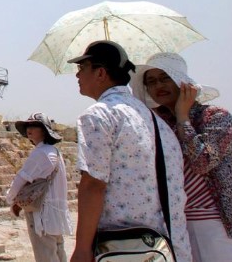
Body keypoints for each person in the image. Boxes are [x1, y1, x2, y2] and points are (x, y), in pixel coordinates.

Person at [67, 40, 192, 262]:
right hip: (169, 249)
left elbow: (94, 185)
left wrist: (82, 249)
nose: (77, 76)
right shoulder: (157, 122)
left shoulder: (99, 116)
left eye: (82, 68)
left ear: (100, 73)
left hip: (125, 249)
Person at [130, 52, 232, 261]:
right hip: (175, 223)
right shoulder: (158, 125)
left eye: (165, 77)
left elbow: (202, 162)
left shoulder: (216, 117)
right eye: (151, 81)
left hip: (214, 222)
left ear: (181, 81)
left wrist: (182, 117)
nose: (158, 85)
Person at [5, 112, 71, 262]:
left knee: (45, 256)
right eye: (28, 125)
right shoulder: (54, 152)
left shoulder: (41, 153)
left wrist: (10, 199)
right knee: (59, 253)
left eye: (35, 126)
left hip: (42, 214)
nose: (30, 128)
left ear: (44, 130)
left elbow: (20, 179)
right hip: (56, 213)